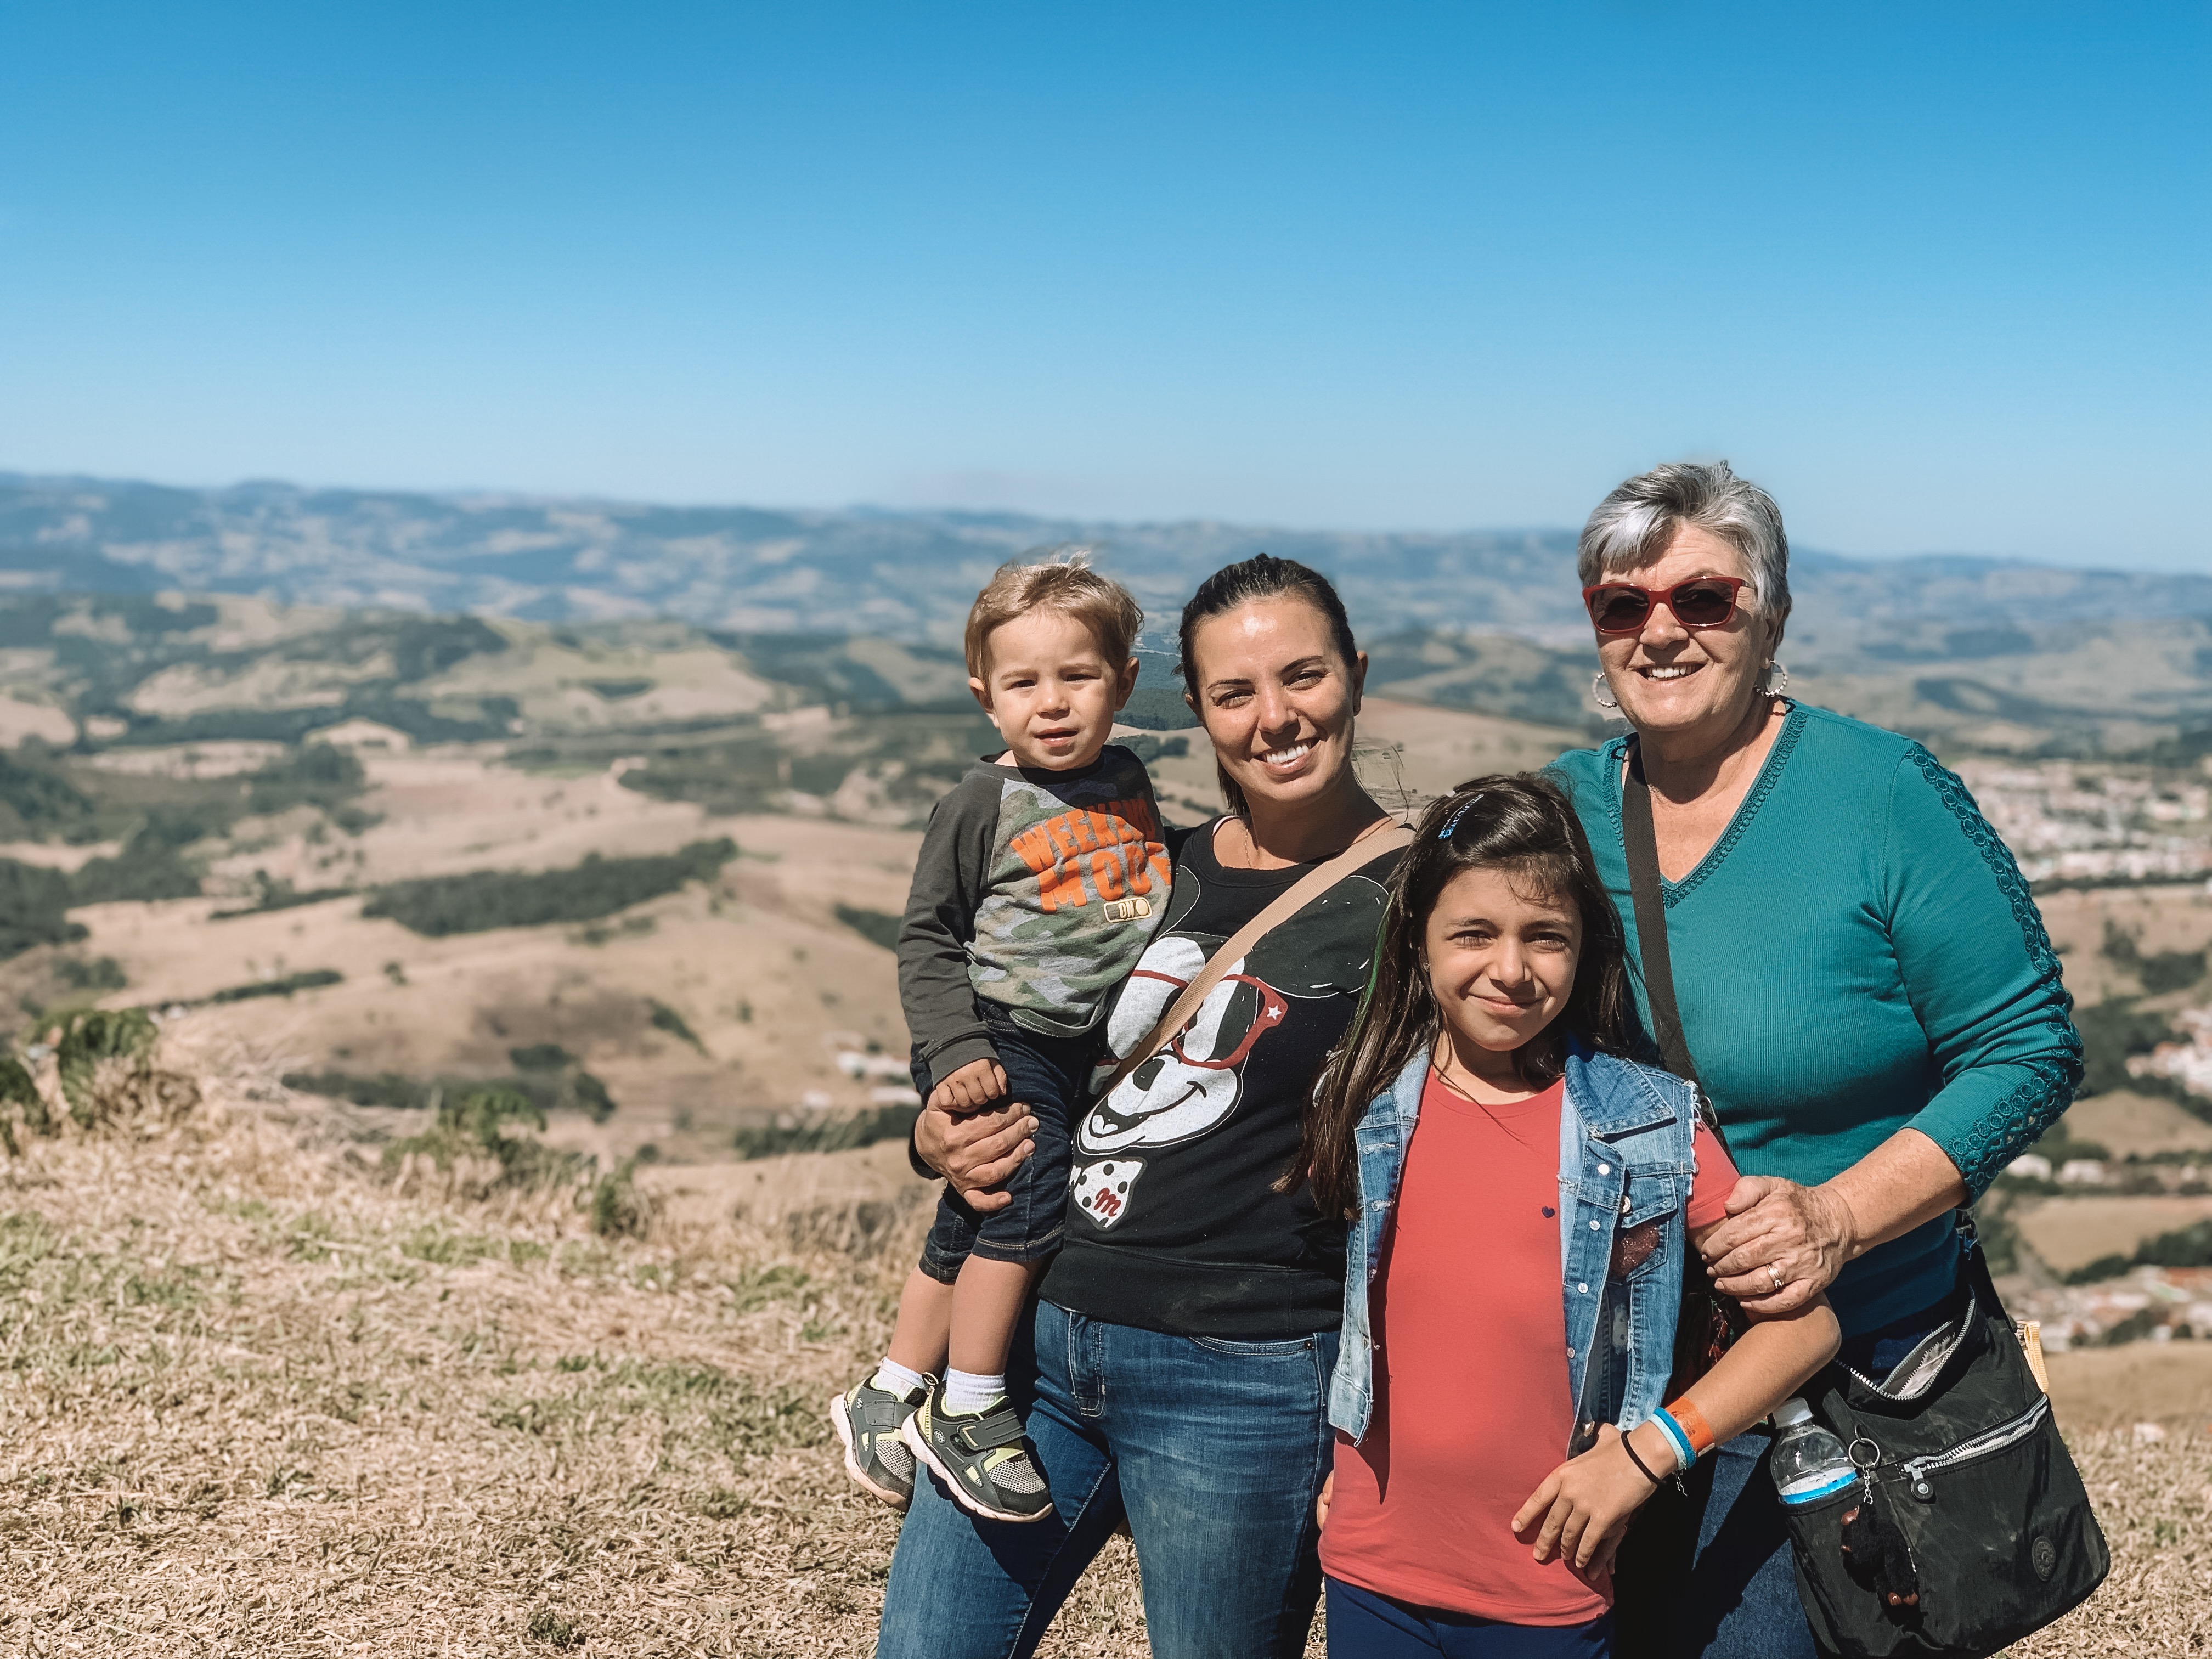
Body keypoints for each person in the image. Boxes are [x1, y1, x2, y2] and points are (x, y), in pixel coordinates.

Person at [1544, 461, 2084, 1657]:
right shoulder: (1558, 816)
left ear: (1771, 616)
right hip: (1616, 1381)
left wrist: (1837, 1219)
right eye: (1623, 606)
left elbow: (2030, 1046)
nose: (1662, 631)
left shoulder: (1880, 794)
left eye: (1705, 599)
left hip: (1853, 1381)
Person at [874, 554, 1404, 1659]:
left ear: (1354, 675)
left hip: (1248, 1376)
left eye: (1303, 676)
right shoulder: (1155, 865)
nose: (1276, 717)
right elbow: (1037, 1040)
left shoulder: (1416, 897)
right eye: (1233, 693)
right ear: (1197, 711)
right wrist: (940, 1131)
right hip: (1043, 1340)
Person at [1307, 775, 1839, 1658]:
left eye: (1545, 938)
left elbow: (1803, 1330)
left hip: (1545, 1586)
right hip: (1369, 1572)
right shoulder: (1363, 1102)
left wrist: (1648, 1456)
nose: (1510, 970)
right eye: (1473, 934)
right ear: (1418, 941)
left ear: (1585, 947)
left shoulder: (1647, 1124)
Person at [830, 556, 1170, 1523]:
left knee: (973, 1218)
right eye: (1024, 683)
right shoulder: (982, 803)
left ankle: (891, 1391)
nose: (1052, 703)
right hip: (995, 1034)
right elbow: (928, 934)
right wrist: (951, 1052)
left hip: (1077, 1051)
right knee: (1024, 1216)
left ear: (1125, 683)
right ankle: (971, 1407)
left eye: (1079, 677)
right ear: (985, 697)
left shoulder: (1127, 781)